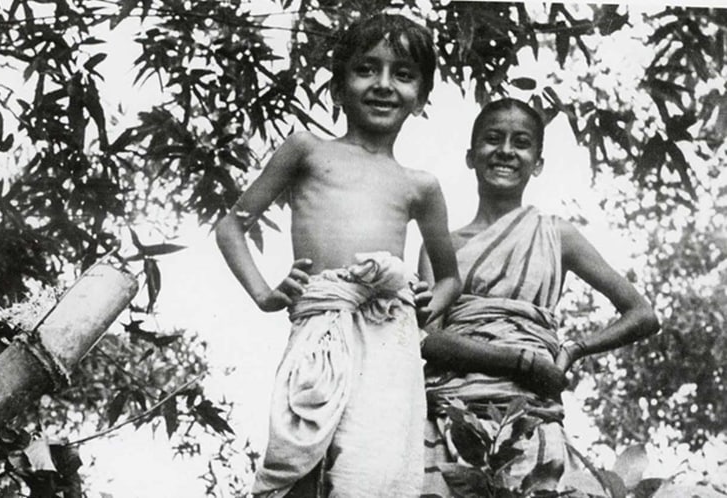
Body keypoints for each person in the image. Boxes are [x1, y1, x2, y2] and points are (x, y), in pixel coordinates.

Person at [215, 13, 462, 498]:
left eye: (404, 74)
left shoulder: (421, 186)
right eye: (367, 69)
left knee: (373, 464)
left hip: (388, 331)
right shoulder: (307, 151)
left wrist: (432, 298)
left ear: (422, 97)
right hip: (321, 322)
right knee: (301, 447)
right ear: (337, 85)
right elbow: (230, 227)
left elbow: (450, 278)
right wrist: (265, 293)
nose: (384, 85)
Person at [417, 98, 660, 495]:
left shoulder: (555, 234)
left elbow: (642, 314)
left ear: (538, 162)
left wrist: (572, 350)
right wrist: (525, 360)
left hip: (528, 417)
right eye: (493, 139)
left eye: (522, 142)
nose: (506, 151)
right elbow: (430, 339)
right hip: (449, 415)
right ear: (470, 155)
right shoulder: (438, 248)